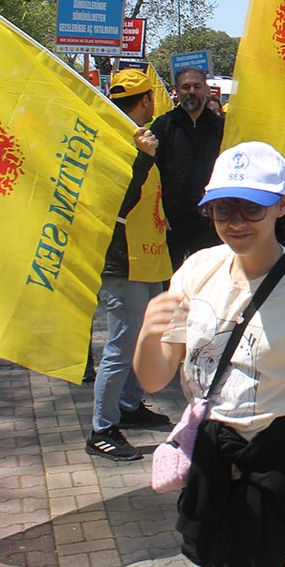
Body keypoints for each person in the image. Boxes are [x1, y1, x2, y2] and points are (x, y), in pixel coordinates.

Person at [133, 142, 285, 566]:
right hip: (211, 455)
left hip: (279, 457)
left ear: (281, 206)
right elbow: (153, 379)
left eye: (251, 208)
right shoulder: (196, 270)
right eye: (223, 209)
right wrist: (148, 335)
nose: (236, 222)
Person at [86, 69, 172, 462]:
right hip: (124, 263)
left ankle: (129, 405)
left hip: (150, 257)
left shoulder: (141, 139)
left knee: (144, 339)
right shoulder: (119, 142)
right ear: (146, 102)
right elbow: (117, 202)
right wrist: (142, 158)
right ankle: (102, 429)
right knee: (120, 347)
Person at [151, 66, 224, 270]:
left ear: (206, 90)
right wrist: (159, 212)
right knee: (170, 280)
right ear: (177, 91)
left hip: (208, 219)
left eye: (196, 86)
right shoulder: (163, 126)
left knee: (208, 277)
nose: (191, 91)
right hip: (171, 221)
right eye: (185, 87)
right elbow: (152, 173)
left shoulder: (221, 128)